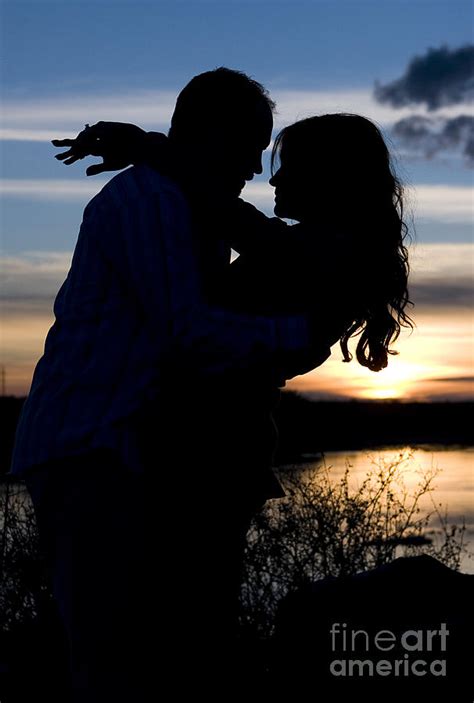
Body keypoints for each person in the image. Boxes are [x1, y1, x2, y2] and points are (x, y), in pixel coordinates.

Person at [51, 109, 413, 683]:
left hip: (211, 454)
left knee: (183, 635)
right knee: (180, 629)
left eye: (286, 167)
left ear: (328, 176)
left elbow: (231, 218)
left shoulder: (328, 251)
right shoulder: (320, 247)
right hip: (208, 448)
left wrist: (149, 149)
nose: (272, 180)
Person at [11, 68, 336, 701]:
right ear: (211, 135)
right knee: (112, 655)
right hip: (90, 446)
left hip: (114, 450)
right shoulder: (153, 201)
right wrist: (301, 335)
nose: (254, 166)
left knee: (137, 652)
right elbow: (186, 330)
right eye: (250, 144)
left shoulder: (185, 202)